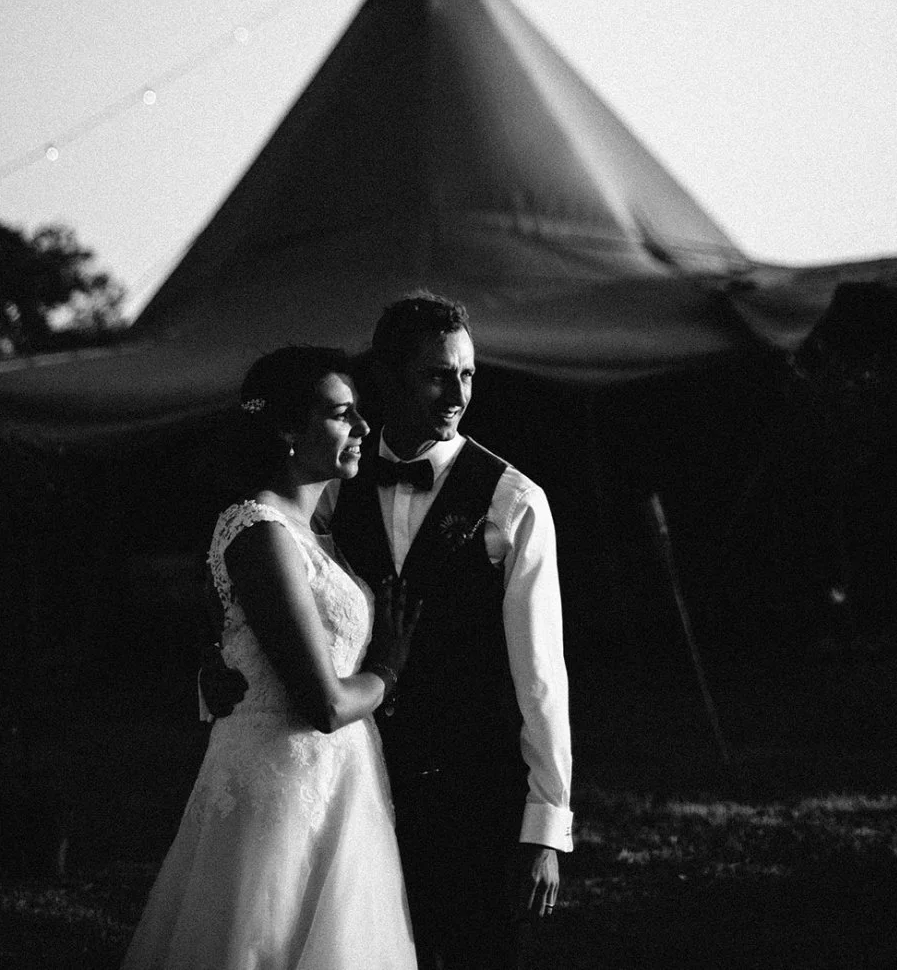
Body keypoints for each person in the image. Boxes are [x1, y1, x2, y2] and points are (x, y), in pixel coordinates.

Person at [122, 345, 419, 970]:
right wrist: (389, 667)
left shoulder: (316, 528)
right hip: (278, 793)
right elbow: (326, 704)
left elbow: (230, 626)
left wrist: (215, 656)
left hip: (338, 784)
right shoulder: (260, 530)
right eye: (343, 415)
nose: (364, 429)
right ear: (288, 428)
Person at [330, 292, 572, 970]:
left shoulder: (515, 502)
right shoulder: (331, 488)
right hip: (354, 785)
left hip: (474, 794)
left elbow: (541, 675)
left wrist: (545, 827)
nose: (456, 392)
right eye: (438, 373)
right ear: (387, 373)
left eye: (467, 374)